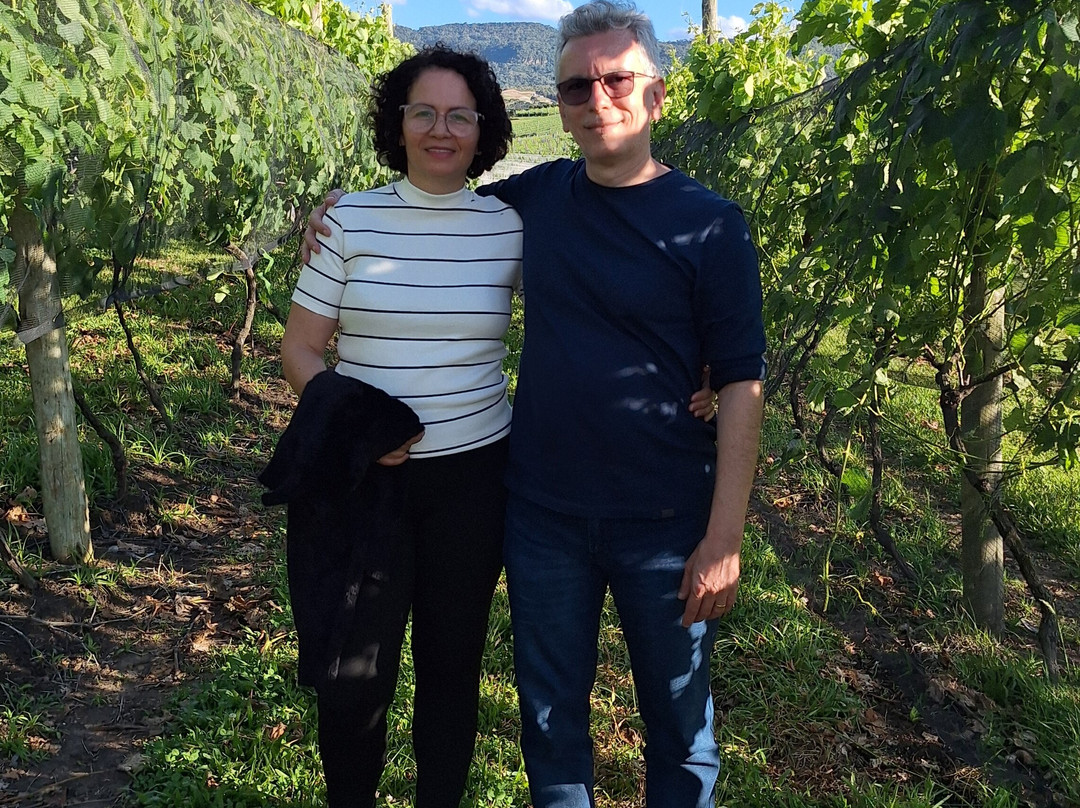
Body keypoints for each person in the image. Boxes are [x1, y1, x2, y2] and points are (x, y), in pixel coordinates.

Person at [305, 3, 766, 805]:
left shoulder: (711, 227)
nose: (597, 99)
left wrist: (724, 539)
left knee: (679, 729)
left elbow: (741, 383)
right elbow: (438, 202)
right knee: (551, 724)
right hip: (543, 514)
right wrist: (339, 210)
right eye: (576, 87)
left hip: (665, 521)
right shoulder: (537, 199)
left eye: (617, 79)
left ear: (657, 95)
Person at [278, 46, 521, 808]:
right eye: (424, 112)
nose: (441, 130)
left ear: (483, 129)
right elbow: (299, 349)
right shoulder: (348, 221)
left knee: (451, 672)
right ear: (399, 123)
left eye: (459, 116)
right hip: (363, 483)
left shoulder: (509, 228)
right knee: (354, 676)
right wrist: (358, 427)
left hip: (473, 484)